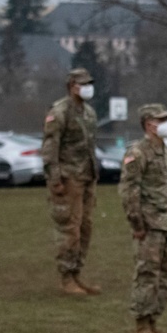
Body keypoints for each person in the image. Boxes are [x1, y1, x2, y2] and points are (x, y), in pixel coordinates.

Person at [118, 103, 167, 333]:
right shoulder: (138, 152)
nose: (166, 123)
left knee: (165, 275)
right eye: (160, 119)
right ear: (148, 124)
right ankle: (141, 325)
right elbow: (129, 191)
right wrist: (137, 224)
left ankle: (153, 321)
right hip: (149, 224)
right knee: (147, 274)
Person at [41, 67, 102, 296]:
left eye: (89, 83)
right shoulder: (59, 112)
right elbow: (50, 148)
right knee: (70, 228)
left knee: (85, 227)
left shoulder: (88, 112)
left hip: (87, 177)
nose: (87, 88)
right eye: (82, 84)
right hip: (68, 178)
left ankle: (77, 273)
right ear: (71, 86)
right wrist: (54, 179)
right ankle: (66, 277)